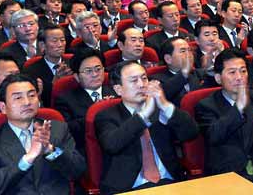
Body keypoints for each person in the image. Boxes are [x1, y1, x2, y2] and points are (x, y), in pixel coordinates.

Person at [195, 49, 253, 195]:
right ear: (218, 78)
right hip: (227, 177)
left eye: (243, 71)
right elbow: (214, 135)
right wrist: (238, 107)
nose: (239, 77)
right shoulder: (206, 106)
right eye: (232, 72)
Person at [94, 60, 199, 195]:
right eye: (134, 80)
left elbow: (191, 133)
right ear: (118, 89)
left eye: (144, 78)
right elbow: (112, 144)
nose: (141, 85)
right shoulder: (106, 115)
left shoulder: (160, 109)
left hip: (169, 182)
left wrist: (166, 106)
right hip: (129, 188)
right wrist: (143, 116)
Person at [0, 73, 86, 195]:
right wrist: (26, 160)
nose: (27, 102)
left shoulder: (57, 129)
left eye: (32, 95)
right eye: (18, 98)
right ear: (3, 107)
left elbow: (78, 171)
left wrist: (51, 151)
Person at [54, 48, 115, 155]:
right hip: (88, 152)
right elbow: (68, 131)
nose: (95, 74)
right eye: (88, 71)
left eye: (98, 69)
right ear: (77, 77)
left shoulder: (116, 91)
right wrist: (95, 112)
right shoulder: (65, 100)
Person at [24, 23, 72, 106]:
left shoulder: (72, 63)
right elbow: (39, 101)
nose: (60, 45)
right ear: (43, 45)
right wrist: (55, 84)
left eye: (62, 40)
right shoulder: (31, 71)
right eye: (54, 41)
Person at [151, 38, 203, 105]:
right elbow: (163, 95)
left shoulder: (199, 74)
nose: (189, 54)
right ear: (168, 59)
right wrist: (184, 73)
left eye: (189, 50)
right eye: (183, 51)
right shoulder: (157, 79)